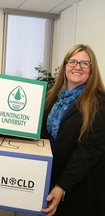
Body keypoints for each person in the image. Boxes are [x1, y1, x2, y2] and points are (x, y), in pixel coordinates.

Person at [41, 44, 105, 216]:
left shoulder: (99, 103)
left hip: (79, 184)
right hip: (50, 175)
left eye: (85, 63)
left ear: (92, 70)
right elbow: (38, 133)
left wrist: (62, 186)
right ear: (65, 66)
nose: (77, 67)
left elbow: (88, 151)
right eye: (73, 62)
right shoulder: (51, 97)